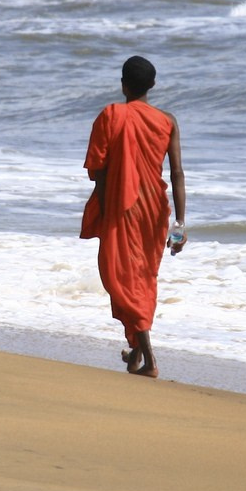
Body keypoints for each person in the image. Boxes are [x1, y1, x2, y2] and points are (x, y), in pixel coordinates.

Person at [81, 56, 186, 378]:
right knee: (141, 278)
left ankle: (151, 360)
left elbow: (97, 171)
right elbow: (178, 173)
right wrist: (180, 224)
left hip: (122, 207)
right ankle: (135, 355)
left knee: (120, 278)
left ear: (123, 84)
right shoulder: (167, 120)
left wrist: (104, 209)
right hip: (155, 209)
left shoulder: (112, 114)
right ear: (152, 86)